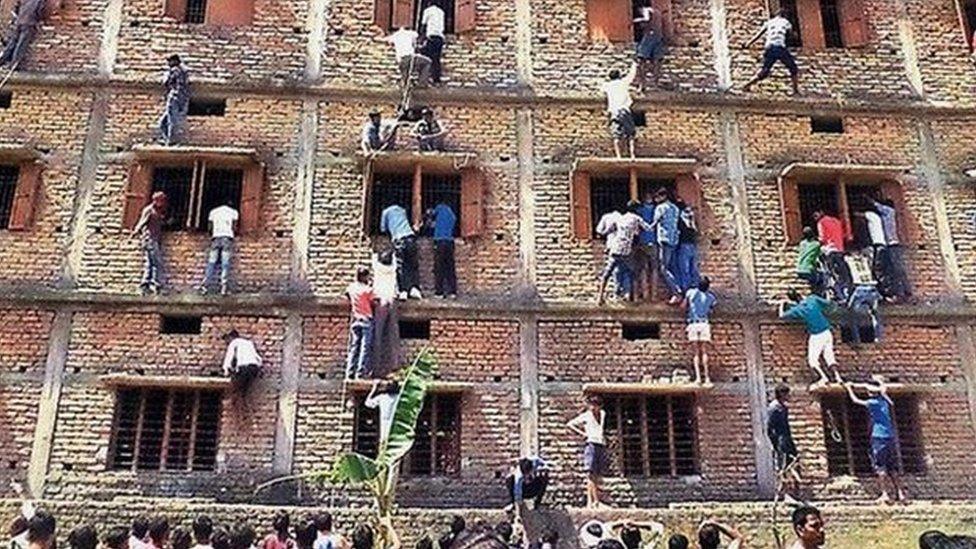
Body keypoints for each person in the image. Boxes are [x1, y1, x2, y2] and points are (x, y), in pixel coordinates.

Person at [843, 376, 908, 504]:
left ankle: (885, 494)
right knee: (892, 467)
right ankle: (900, 493)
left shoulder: (873, 403)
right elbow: (883, 389)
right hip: (890, 437)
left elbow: (856, 400)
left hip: (878, 437)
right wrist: (879, 381)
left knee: (880, 467)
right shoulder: (884, 400)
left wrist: (849, 388)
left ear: (870, 393)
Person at [780, 289, 839, 386]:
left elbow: (782, 315)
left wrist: (782, 303)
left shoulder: (798, 309)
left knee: (813, 361)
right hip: (827, 331)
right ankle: (838, 377)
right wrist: (828, 294)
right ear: (801, 294)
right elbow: (828, 302)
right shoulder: (812, 299)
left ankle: (824, 377)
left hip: (816, 335)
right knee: (829, 356)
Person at [597, 201, 652, 305]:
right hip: (626, 252)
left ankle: (600, 298)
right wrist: (657, 222)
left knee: (607, 274)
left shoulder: (621, 218)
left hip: (615, 249)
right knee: (634, 273)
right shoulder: (636, 218)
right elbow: (647, 228)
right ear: (636, 209)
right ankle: (635, 298)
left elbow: (608, 230)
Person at [742, 8, 799, 95]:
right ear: (785, 16)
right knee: (793, 68)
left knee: (764, 71)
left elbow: (758, 34)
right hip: (780, 48)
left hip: (769, 48)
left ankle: (747, 85)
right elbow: (792, 35)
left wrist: (748, 43)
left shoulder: (769, 22)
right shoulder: (786, 22)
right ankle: (795, 91)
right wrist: (795, 36)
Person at [567, 395, 609, 509]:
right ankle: (595, 501)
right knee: (590, 474)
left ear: (600, 406)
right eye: (592, 405)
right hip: (591, 444)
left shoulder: (603, 414)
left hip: (600, 443)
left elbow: (601, 428)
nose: (593, 408)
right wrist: (583, 434)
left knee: (596, 475)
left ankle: (590, 502)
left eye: (596, 406)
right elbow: (570, 424)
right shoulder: (586, 416)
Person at [0, 0, 61, 69]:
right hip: (29, 23)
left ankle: (3, 59)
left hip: (19, 21)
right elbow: (40, 12)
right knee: (21, 44)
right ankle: (14, 64)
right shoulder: (40, 1)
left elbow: (17, 7)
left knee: (12, 42)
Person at [871, 197, 911, 301]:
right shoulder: (890, 213)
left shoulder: (888, 211)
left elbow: (876, 205)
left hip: (892, 245)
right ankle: (905, 291)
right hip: (892, 245)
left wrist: (868, 199)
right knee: (896, 269)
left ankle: (901, 293)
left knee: (896, 270)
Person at [197, 198, 239, 295]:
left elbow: (210, 228)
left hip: (215, 238)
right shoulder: (233, 212)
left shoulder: (213, 212)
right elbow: (235, 227)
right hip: (227, 238)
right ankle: (223, 288)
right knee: (225, 264)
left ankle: (205, 286)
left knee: (211, 263)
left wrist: (213, 234)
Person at [370, 249, 401, 379]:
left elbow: (373, 257)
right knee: (393, 335)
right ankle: (395, 366)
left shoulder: (377, 268)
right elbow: (394, 258)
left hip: (381, 301)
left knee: (378, 335)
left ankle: (376, 368)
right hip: (392, 300)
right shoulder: (393, 268)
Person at [381, 204, 422, 299]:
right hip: (411, 237)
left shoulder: (385, 212)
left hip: (399, 239)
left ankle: (403, 290)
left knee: (401, 265)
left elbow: (383, 229)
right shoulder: (402, 210)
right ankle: (414, 288)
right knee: (412, 264)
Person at [767, 384, 801, 498]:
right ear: (781, 394)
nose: (788, 396)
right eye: (786, 394)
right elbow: (770, 428)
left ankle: (796, 493)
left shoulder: (784, 407)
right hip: (781, 440)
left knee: (795, 462)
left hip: (787, 438)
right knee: (783, 467)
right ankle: (785, 494)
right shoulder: (774, 408)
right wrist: (776, 444)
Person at [131, 191, 168, 295]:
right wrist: (135, 231)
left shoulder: (158, 211)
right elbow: (142, 222)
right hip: (149, 240)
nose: (163, 203)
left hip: (154, 239)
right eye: (161, 200)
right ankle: (156, 285)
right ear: (156, 200)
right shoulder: (149, 210)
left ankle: (145, 285)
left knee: (150, 263)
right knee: (157, 263)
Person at [650, 189, 682, 304]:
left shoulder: (660, 208)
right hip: (674, 240)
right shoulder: (675, 208)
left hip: (664, 239)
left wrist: (647, 228)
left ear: (662, 196)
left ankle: (676, 293)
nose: (655, 200)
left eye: (656, 197)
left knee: (663, 268)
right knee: (672, 267)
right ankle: (679, 290)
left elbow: (655, 221)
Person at [600, 63, 638, 158]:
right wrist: (634, 64)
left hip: (613, 112)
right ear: (619, 76)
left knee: (616, 135)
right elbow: (632, 75)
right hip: (624, 111)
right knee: (631, 134)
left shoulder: (607, 85)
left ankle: (618, 156)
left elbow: (601, 89)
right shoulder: (623, 82)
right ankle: (632, 155)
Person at [682, 277, 716, 383]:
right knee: (704, 352)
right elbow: (712, 308)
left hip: (693, 324)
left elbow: (683, 306)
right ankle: (707, 377)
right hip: (704, 324)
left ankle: (698, 378)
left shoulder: (691, 293)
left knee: (696, 353)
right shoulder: (710, 297)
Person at [814, 210, 853, 301]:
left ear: (820, 214)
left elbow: (822, 238)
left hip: (830, 250)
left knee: (832, 274)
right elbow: (844, 234)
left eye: (815, 216)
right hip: (840, 249)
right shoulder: (837, 221)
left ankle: (838, 295)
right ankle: (846, 293)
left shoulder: (821, 222)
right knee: (843, 274)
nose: (815, 219)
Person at [345, 266, 376, 379]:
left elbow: (347, 294)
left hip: (355, 320)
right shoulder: (367, 290)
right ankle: (360, 373)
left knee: (354, 347)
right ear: (364, 277)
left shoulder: (351, 287)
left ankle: (350, 372)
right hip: (366, 320)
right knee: (365, 347)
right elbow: (375, 301)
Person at [158, 54, 190, 145]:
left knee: (171, 121)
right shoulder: (184, 71)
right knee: (163, 122)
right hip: (180, 98)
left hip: (174, 97)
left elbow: (166, 82)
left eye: (170, 61)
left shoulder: (175, 70)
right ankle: (167, 139)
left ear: (175, 61)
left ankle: (171, 141)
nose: (168, 63)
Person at [428, 202, 458, 298]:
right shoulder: (451, 214)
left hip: (440, 242)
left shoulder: (439, 208)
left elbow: (430, 216)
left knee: (439, 267)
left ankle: (439, 292)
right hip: (450, 242)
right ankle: (452, 292)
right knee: (450, 267)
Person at [633, 4, 664, 92]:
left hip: (650, 36)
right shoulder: (657, 11)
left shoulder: (646, 10)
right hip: (658, 37)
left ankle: (642, 84)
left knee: (641, 60)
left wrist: (635, 21)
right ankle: (655, 84)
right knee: (656, 62)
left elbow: (646, 20)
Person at [674, 199, 700, 293]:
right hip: (692, 244)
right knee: (693, 268)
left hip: (684, 244)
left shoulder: (680, 217)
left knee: (684, 269)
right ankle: (696, 289)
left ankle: (687, 291)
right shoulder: (690, 215)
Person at [419, 0, 446, 85]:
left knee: (425, 58)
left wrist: (421, 37)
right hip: (440, 38)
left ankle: (424, 78)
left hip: (432, 38)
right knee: (436, 59)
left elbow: (423, 24)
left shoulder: (428, 11)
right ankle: (436, 79)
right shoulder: (441, 12)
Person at [365, 380, 399, 446]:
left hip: (385, 429)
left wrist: (374, 389)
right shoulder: (399, 398)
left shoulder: (382, 397)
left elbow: (367, 403)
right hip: (397, 431)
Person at [795, 227, 822, 292]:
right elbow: (820, 255)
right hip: (808, 269)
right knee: (820, 280)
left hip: (799, 269)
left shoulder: (802, 243)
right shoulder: (816, 244)